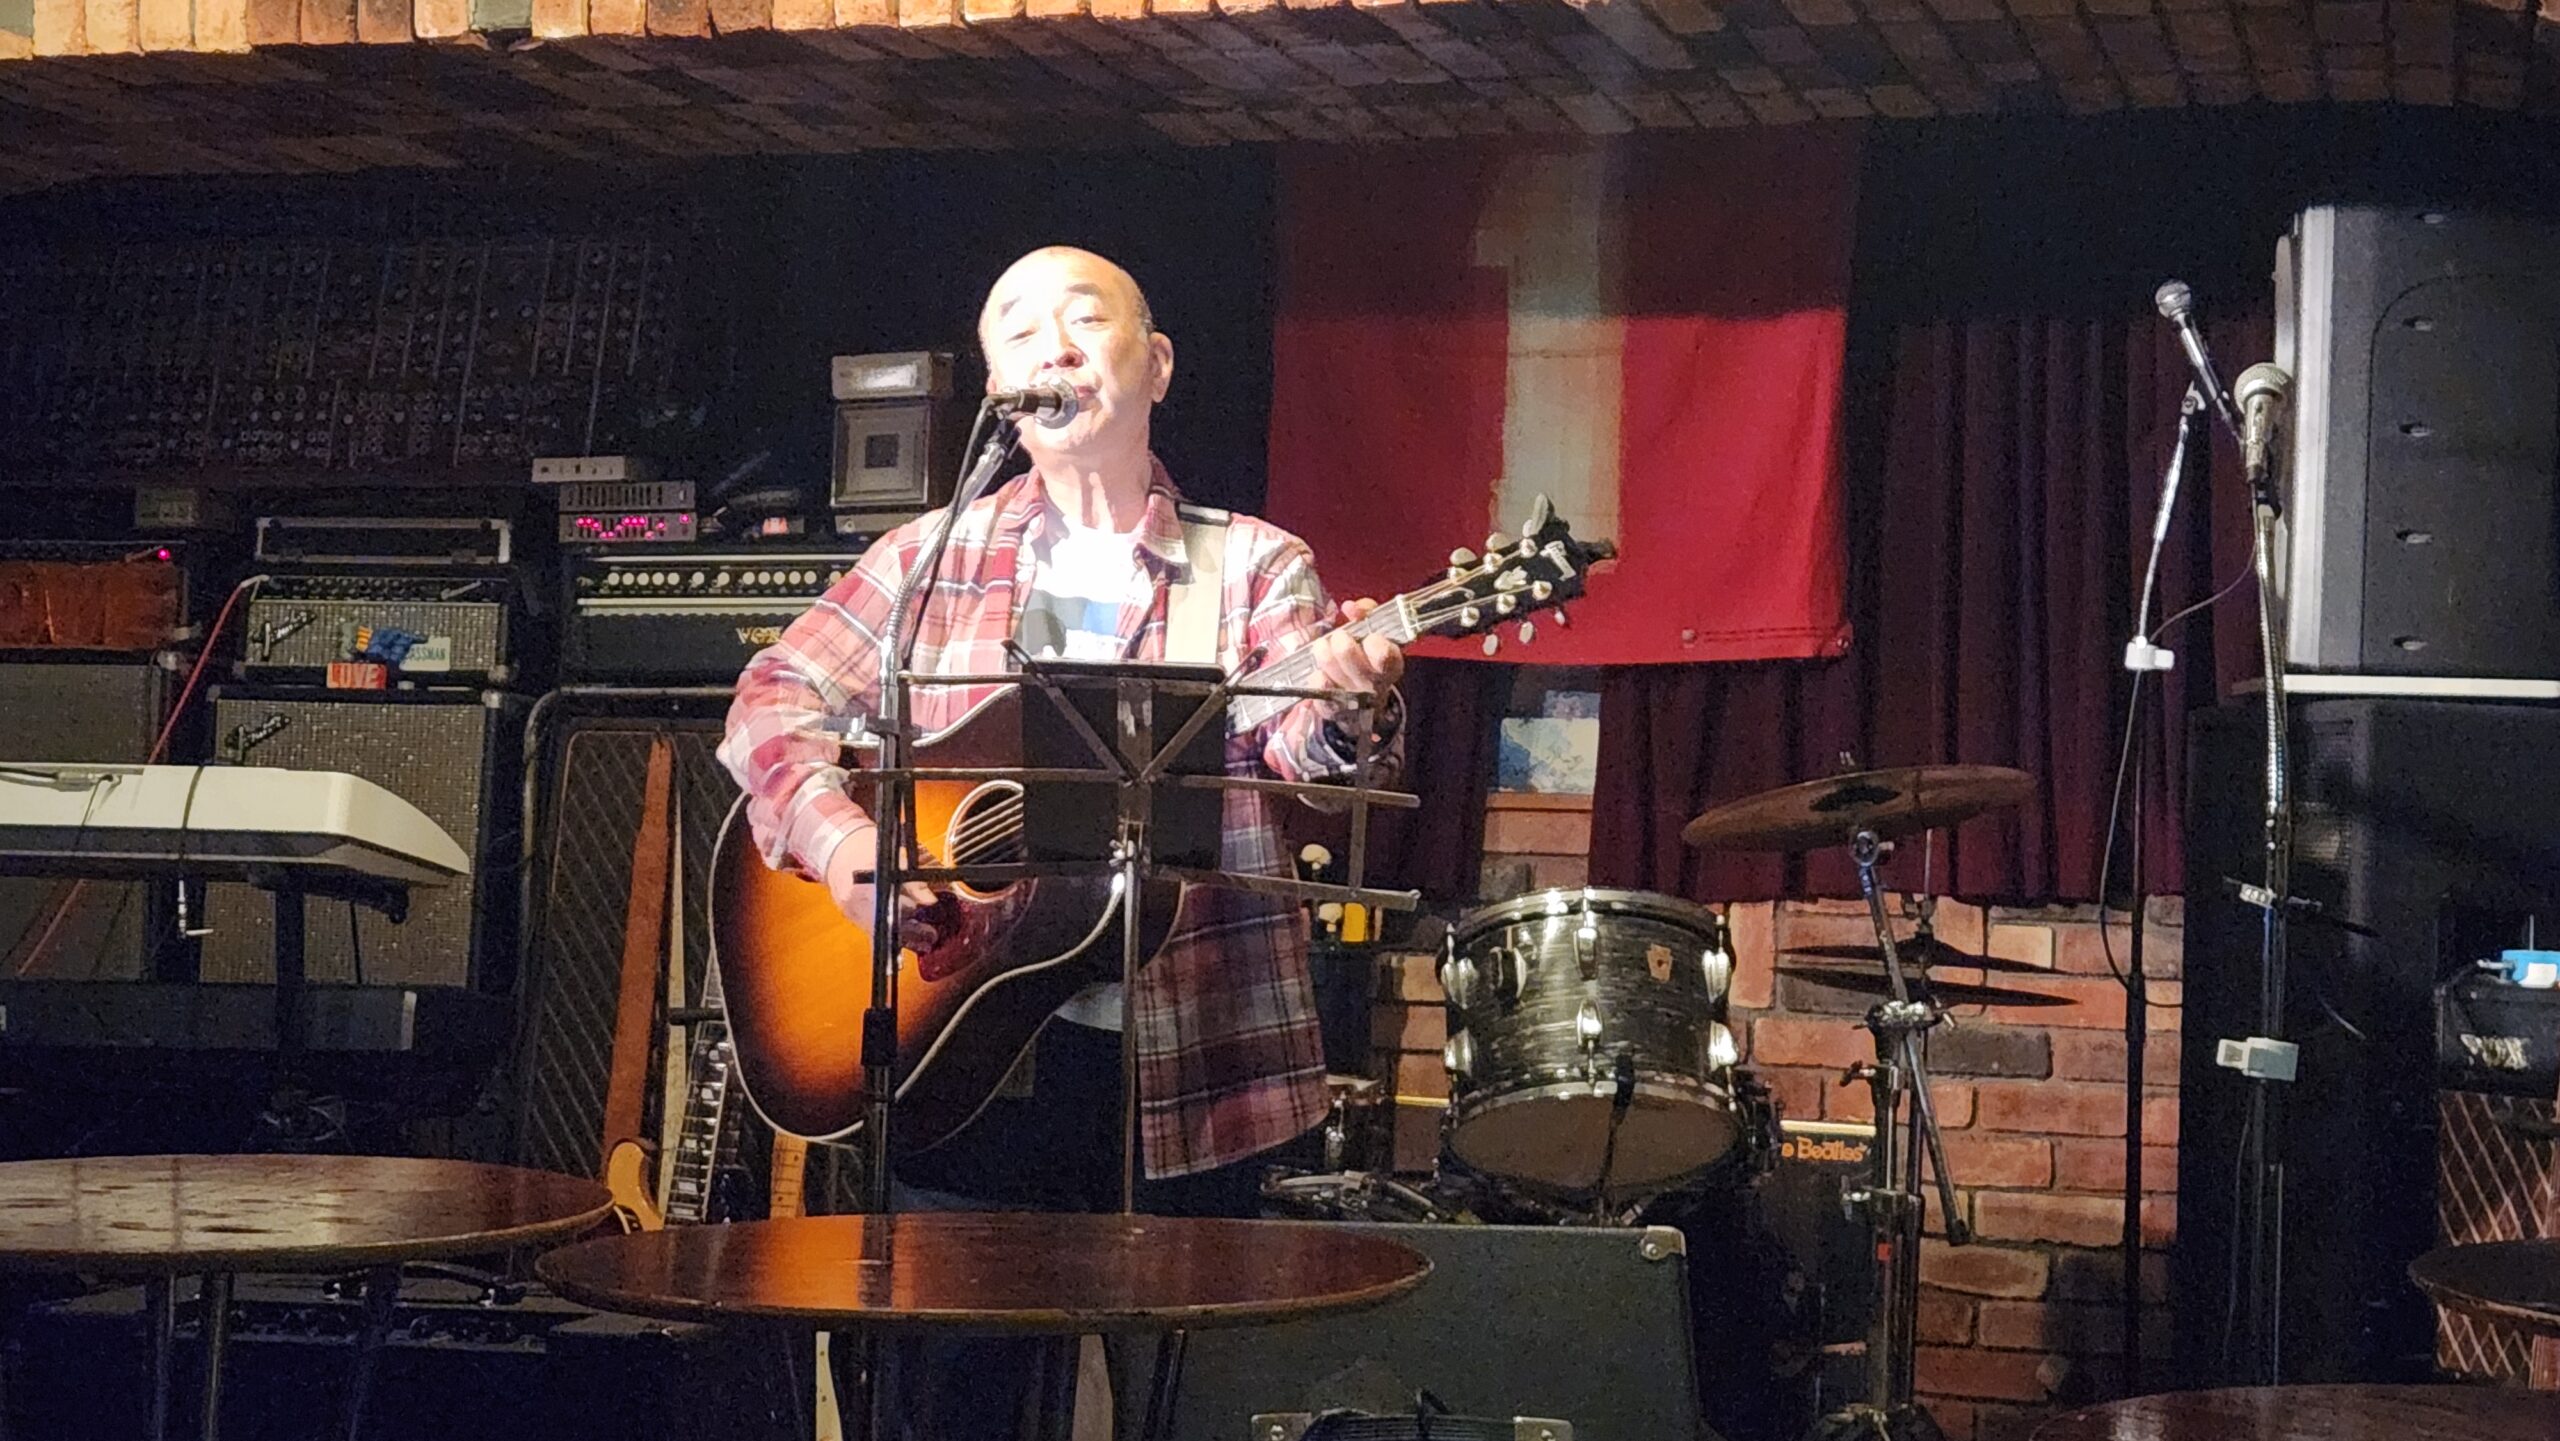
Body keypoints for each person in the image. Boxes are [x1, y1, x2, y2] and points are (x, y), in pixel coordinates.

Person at [717, 244, 1408, 1437]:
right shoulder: (923, 560)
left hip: (1192, 1060)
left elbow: (1299, 748)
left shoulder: (1252, 563)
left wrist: (1348, 702)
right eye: (1019, 329)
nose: (1054, 345)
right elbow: (773, 698)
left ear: (1159, 365)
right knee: (959, 1408)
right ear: (996, 385)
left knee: (1189, 1409)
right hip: (962, 1054)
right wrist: (841, 847)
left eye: (1085, 319)